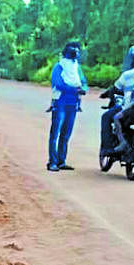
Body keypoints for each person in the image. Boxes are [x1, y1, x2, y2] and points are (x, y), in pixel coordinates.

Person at [100, 45, 134, 155]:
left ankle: (108, 148)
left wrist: (105, 94)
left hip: (131, 109)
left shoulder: (128, 74)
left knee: (106, 117)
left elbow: (115, 89)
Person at [47, 42, 87, 171]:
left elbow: (84, 82)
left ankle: (61, 161)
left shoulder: (76, 67)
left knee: (65, 134)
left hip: (73, 103)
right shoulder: (59, 67)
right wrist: (76, 90)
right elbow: (58, 84)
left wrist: (83, 89)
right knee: (56, 133)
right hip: (60, 103)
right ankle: (52, 162)